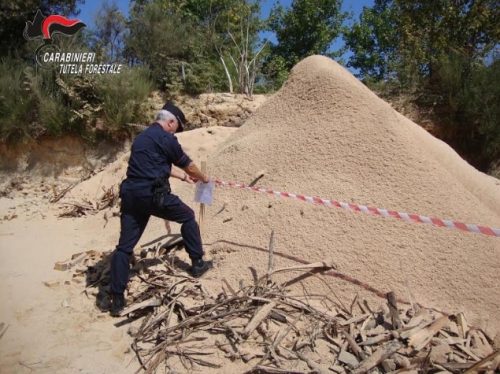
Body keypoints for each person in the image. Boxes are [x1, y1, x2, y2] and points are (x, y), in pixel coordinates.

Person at [109, 103, 212, 316]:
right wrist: (202, 177)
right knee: (188, 216)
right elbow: (187, 163)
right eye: (176, 127)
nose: (175, 131)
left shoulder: (142, 138)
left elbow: (157, 165)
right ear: (170, 121)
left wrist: (183, 177)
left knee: (124, 247)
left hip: (130, 194)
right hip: (154, 195)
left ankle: (116, 298)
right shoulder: (166, 139)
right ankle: (198, 263)